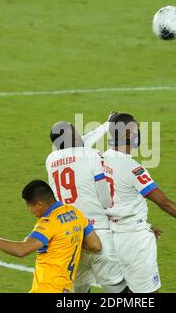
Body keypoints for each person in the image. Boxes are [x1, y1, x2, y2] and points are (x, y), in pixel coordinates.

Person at [89, 112, 176, 293]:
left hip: (111, 237)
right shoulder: (133, 169)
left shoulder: (99, 159)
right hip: (134, 241)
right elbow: (165, 203)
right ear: (127, 135)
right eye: (136, 130)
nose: (139, 134)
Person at [0, 179, 102, 293]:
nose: (29, 210)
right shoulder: (75, 213)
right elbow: (95, 245)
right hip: (66, 289)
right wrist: (66, 242)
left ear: (39, 204)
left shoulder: (49, 223)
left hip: (47, 289)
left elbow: (21, 250)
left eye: (29, 206)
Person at [46, 121, 127, 293]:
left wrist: (105, 126)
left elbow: (75, 147)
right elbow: (105, 196)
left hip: (70, 237)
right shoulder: (91, 155)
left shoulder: (51, 160)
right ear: (73, 137)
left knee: (79, 291)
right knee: (118, 291)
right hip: (99, 233)